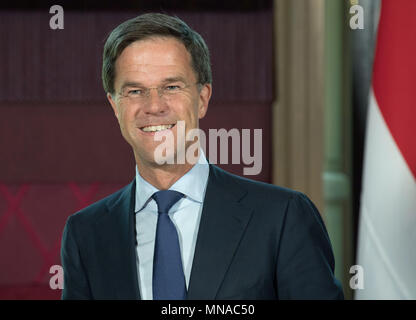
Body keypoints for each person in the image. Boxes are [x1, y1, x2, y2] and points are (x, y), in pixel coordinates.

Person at [61, 13, 344, 300]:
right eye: (135, 91)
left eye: (171, 87)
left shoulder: (283, 216)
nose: (154, 106)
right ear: (114, 105)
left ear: (203, 98)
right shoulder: (86, 233)